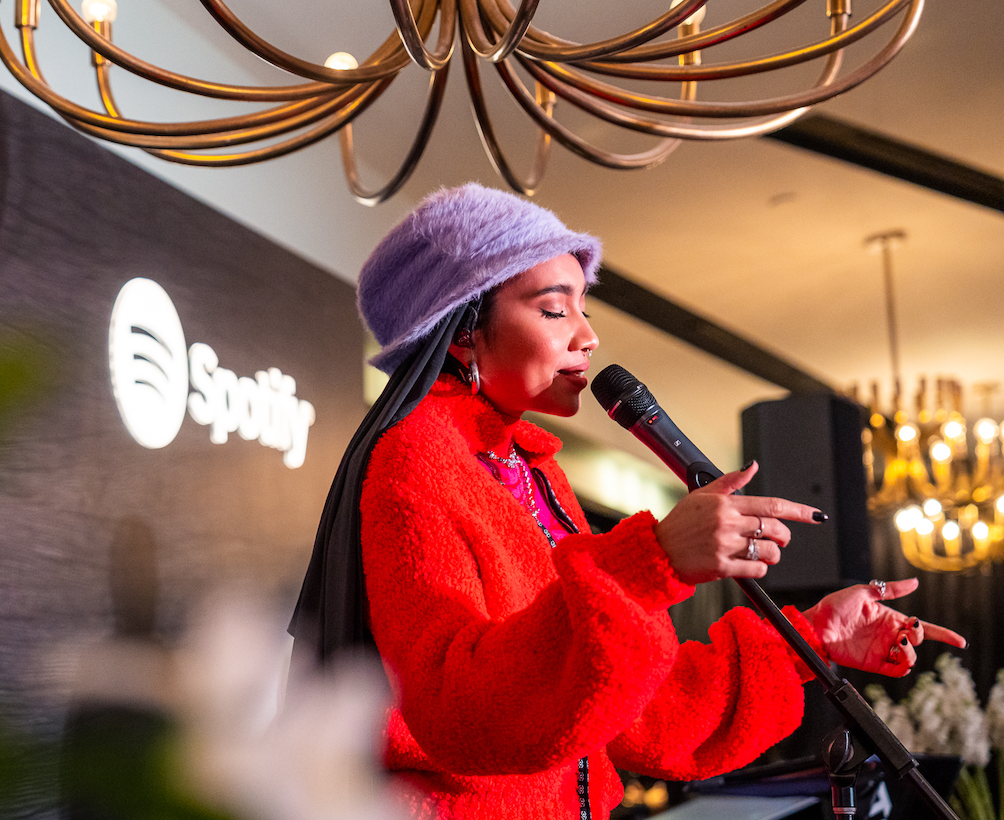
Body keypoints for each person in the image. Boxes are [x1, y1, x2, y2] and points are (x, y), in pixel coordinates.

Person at [290, 184, 965, 820]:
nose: (586, 336)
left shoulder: (534, 473)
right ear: (463, 328)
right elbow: (455, 707)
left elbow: (640, 715)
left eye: (583, 308)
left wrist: (811, 637)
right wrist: (646, 561)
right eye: (554, 309)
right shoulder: (416, 458)